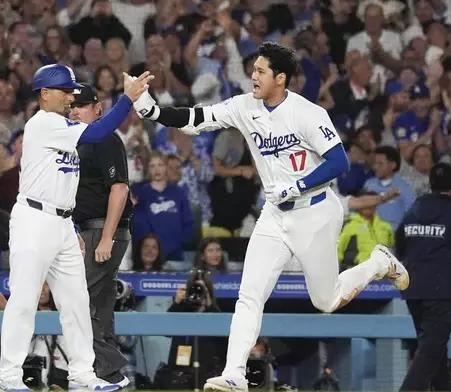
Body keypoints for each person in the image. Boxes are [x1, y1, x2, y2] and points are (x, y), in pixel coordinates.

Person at [131, 41, 410, 392]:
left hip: (316, 213)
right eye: (254, 69)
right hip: (275, 215)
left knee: (325, 300)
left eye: (261, 70)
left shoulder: (307, 113)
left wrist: (298, 186)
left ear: (281, 78)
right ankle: (234, 374)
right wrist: (146, 107)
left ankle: (377, 263)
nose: (254, 75)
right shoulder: (245, 106)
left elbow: (340, 161)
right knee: (250, 293)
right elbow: (195, 120)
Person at [0, 64, 153, 391]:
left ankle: (82, 374)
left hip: (62, 223)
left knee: (78, 302)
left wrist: (70, 225)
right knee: (24, 300)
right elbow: (96, 132)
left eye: (71, 91)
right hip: (34, 220)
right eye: (64, 91)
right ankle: (9, 375)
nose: (70, 96)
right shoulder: (43, 123)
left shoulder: (63, 125)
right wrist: (127, 99)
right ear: (44, 94)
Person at [70, 83, 132, 387]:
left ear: (97, 108)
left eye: (81, 105)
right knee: (100, 303)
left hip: (103, 230)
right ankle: (109, 376)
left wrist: (106, 238)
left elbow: (120, 188)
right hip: (89, 231)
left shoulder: (104, 137)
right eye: (71, 106)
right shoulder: (78, 142)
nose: (75, 111)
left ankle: (108, 364)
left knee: (77, 300)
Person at [395, 162, 451, 391]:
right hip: (439, 292)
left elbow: (400, 244)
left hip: (412, 290)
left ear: (430, 183)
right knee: (430, 351)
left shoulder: (412, 211)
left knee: (434, 347)